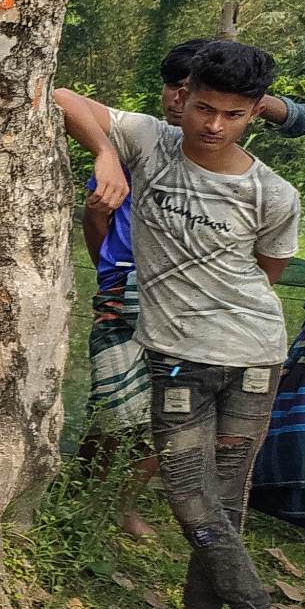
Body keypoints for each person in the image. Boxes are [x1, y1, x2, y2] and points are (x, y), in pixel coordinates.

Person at [58, 42, 304, 609]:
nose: (213, 125)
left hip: (252, 355)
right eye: (203, 107)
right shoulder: (150, 141)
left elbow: (265, 276)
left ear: (255, 112)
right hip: (174, 357)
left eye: (233, 114)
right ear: (185, 95)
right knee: (187, 488)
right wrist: (106, 152)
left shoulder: (273, 194)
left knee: (224, 494)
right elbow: (59, 98)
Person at [79, 39, 203, 539]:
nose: (179, 99)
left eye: (191, 90)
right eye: (174, 87)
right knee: (111, 409)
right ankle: (85, 497)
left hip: (179, 299)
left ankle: (125, 503)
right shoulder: (136, 142)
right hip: (123, 291)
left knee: (163, 416)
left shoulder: (215, 162)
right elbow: (102, 247)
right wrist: (103, 159)